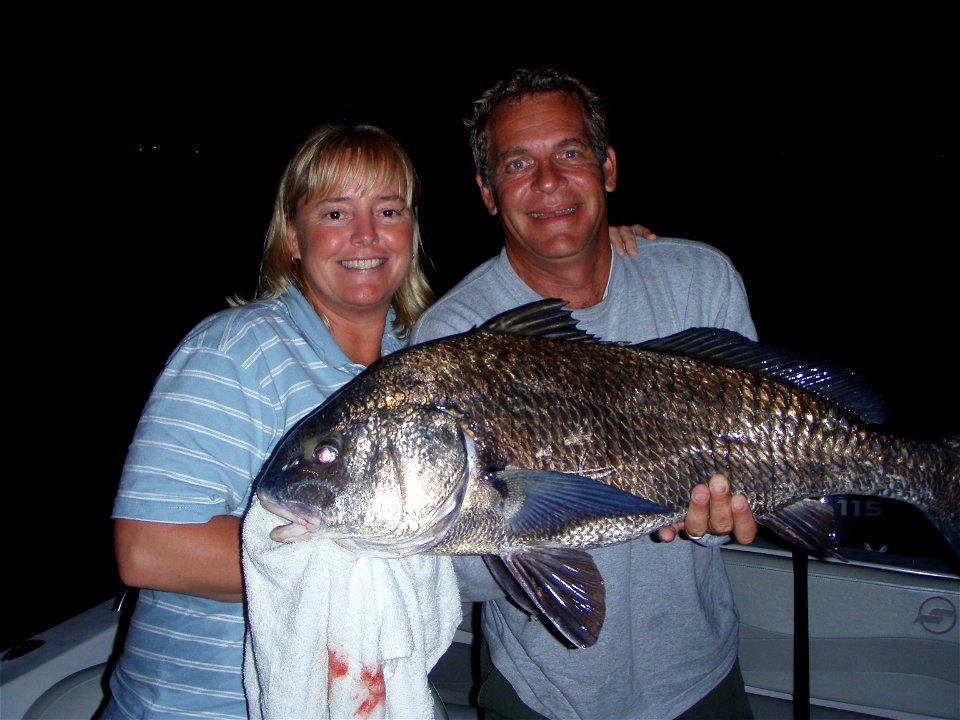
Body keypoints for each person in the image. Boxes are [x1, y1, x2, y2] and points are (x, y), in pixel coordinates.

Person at [100, 120, 651, 719]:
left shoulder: (427, 362)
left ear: (412, 233)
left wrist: (603, 242)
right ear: (292, 235)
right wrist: (358, 551)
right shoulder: (235, 349)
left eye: (389, 211)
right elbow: (148, 549)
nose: (366, 235)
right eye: (336, 213)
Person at [411, 67, 759, 719]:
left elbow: (754, 462)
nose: (547, 182)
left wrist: (717, 523)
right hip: (544, 693)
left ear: (608, 167)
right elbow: (449, 562)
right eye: (519, 163)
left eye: (569, 153)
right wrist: (539, 532)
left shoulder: (696, 282)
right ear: (488, 192)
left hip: (699, 676)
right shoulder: (452, 338)